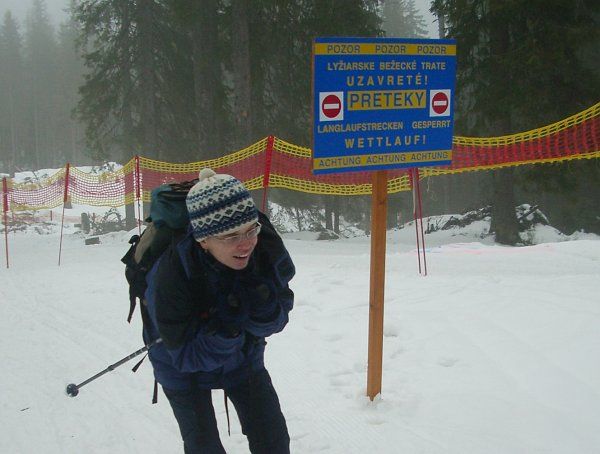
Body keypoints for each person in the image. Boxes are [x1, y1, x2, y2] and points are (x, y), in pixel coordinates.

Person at [144, 168, 295, 453]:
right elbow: (185, 357)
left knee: (273, 440)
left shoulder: (264, 248)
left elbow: (280, 314)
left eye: (251, 229)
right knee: (203, 446)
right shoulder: (170, 277)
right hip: (179, 366)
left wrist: (262, 311)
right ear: (203, 240)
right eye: (230, 236)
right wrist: (227, 330)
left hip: (242, 358)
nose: (246, 242)